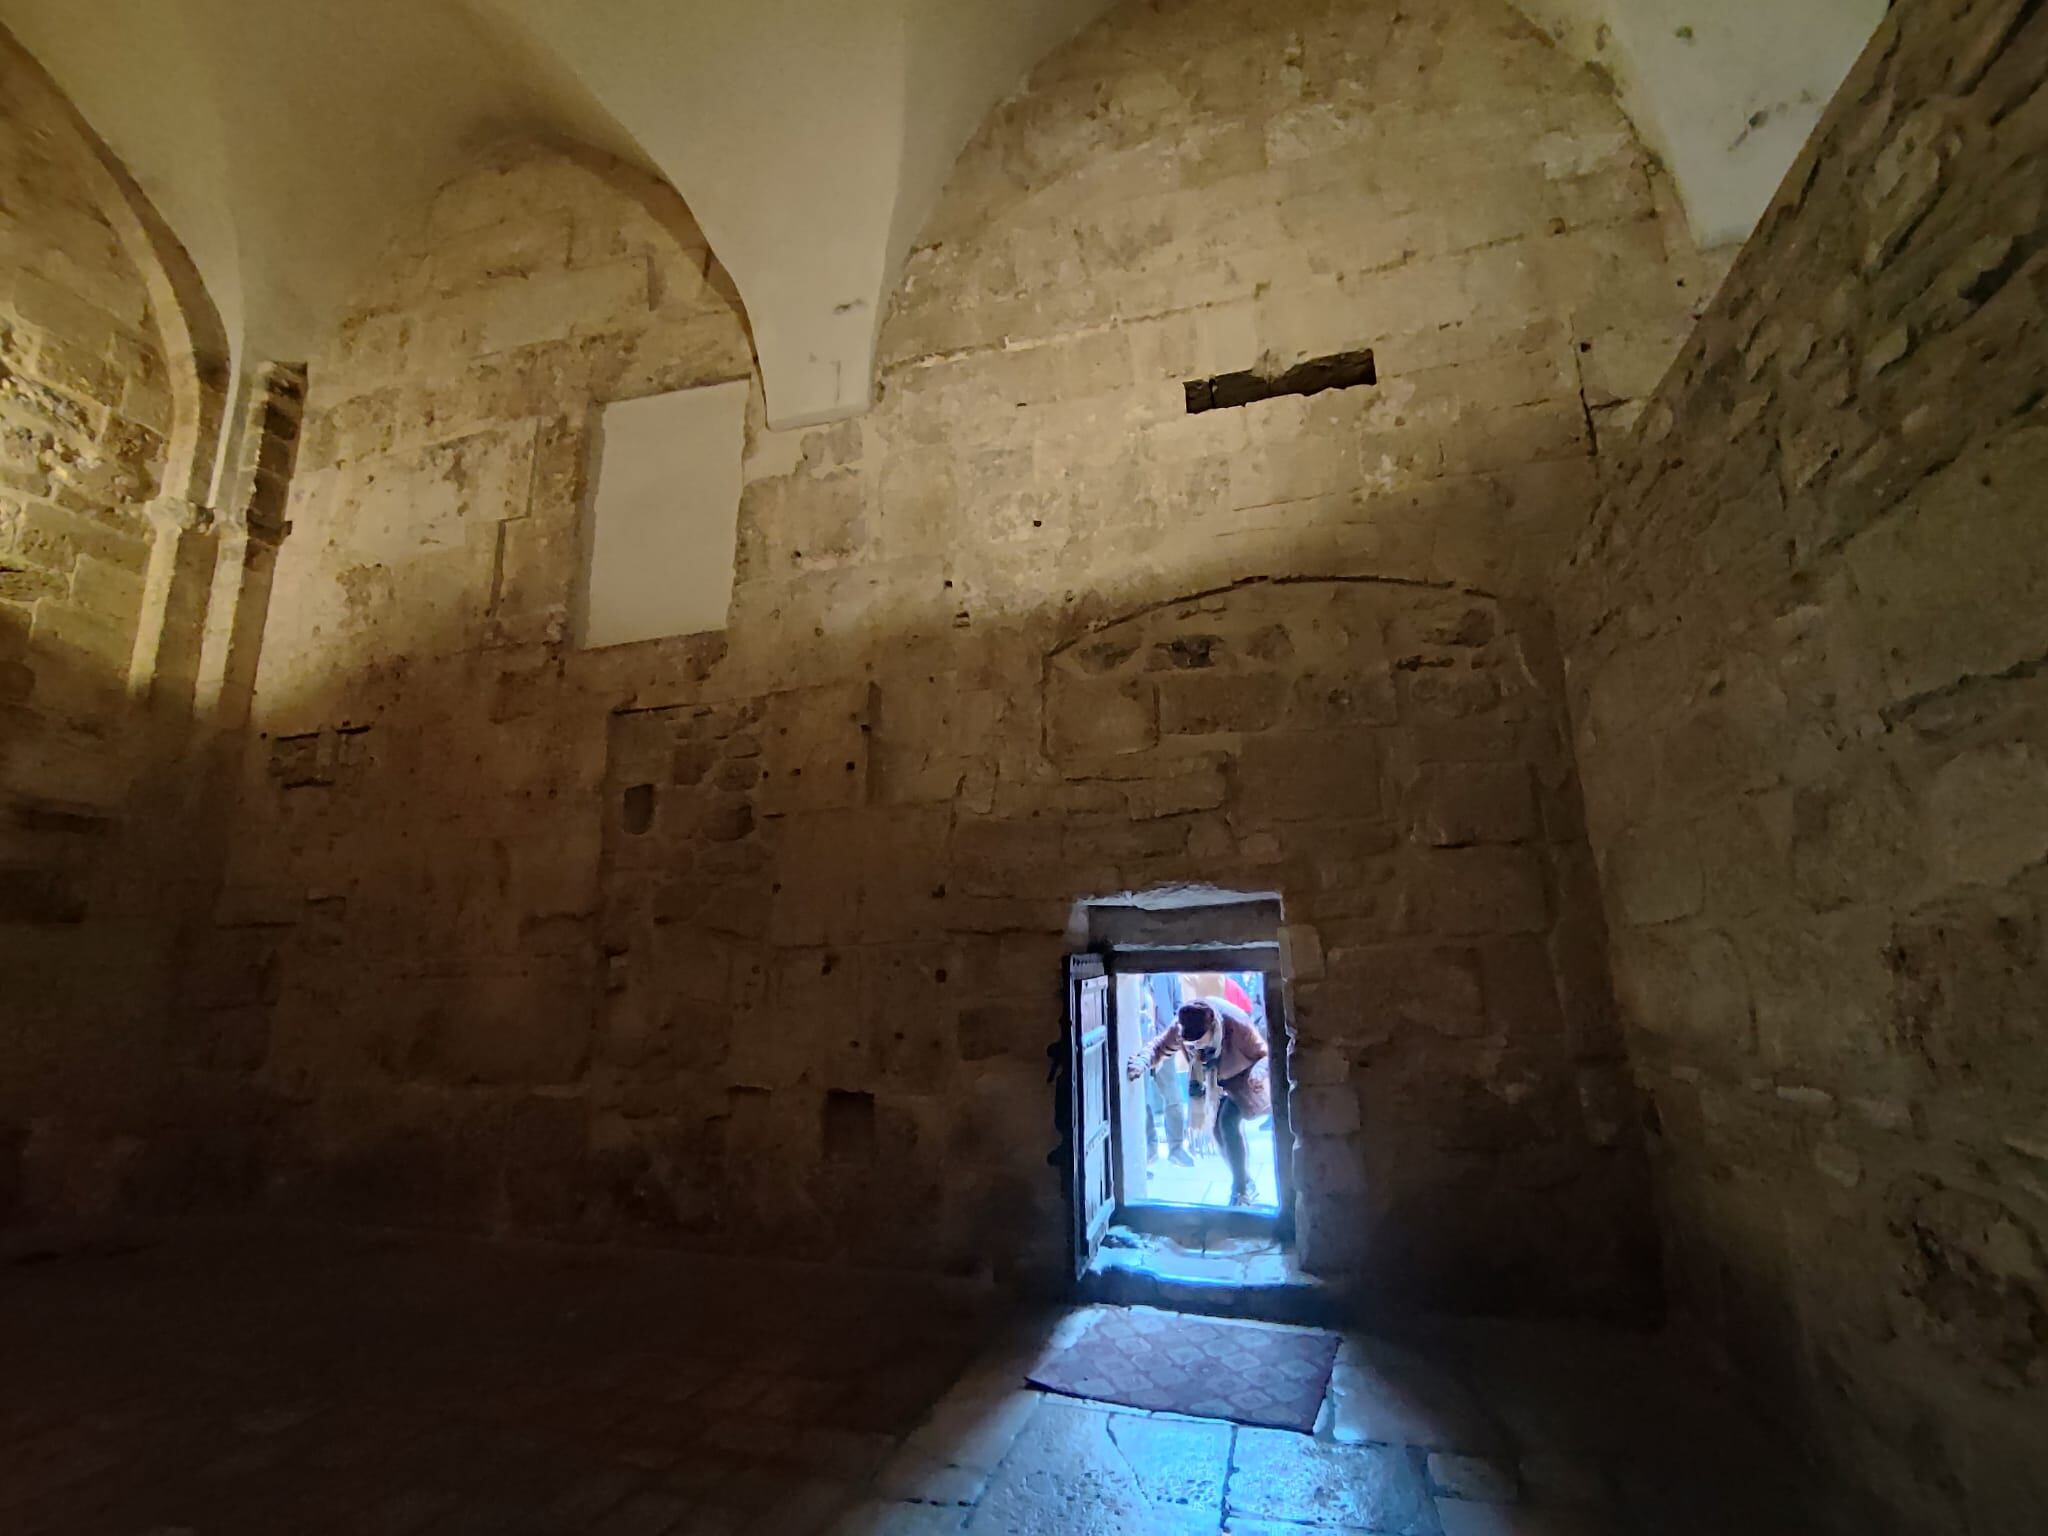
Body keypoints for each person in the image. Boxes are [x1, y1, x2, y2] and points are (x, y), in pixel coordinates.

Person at [1128, 997, 1271, 1206]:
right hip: (1211, 1081)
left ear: (1213, 1028)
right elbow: (1159, 1046)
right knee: (1216, 1131)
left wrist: (1258, 1073)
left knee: (1228, 1124)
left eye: (1199, 1043)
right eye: (1190, 1045)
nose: (1194, 1049)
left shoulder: (1236, 1024)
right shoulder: (1182, 1026)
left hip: (1243, 1076)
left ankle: (1241, 1189)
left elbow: (1263, 1055)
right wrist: (1142, 1062)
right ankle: (1244, 1180)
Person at [1141, 974, 1195, 1168]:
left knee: (1174, 1097)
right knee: (1141, 1101)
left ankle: (1177, 1148)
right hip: (1139, 1047)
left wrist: (1174, 1035)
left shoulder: (1167, 975)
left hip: (1165, 1045)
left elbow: (1178, 1007)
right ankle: (1149, 1148)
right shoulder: (1135, 977)